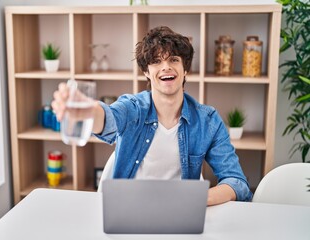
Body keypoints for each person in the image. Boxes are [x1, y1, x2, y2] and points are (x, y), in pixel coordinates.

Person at [52, 26, 253, 206]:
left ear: (185, 69)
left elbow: (236, 181)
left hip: (181, 213)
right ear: (146, 72)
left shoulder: (207, 121)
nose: (165, 67)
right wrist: (87, 110)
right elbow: (108, 119)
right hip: (129, 208)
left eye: (173, 60)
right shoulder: (133, 108)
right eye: (156, 61)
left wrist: (199, 199)